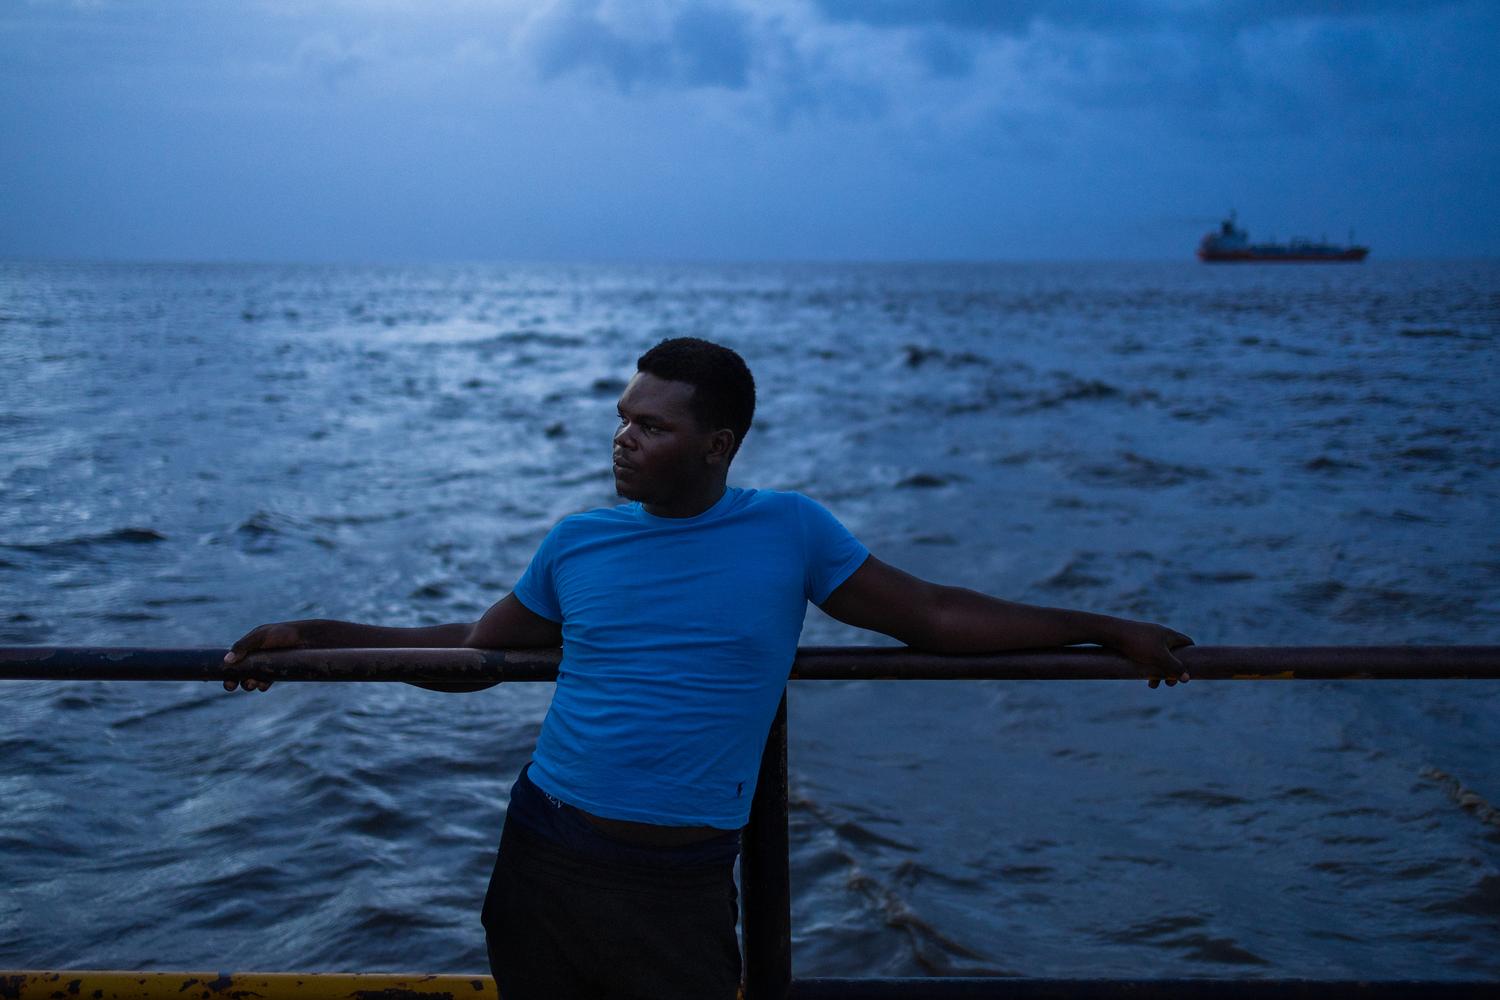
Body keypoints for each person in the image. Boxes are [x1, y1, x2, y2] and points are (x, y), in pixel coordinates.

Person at [224, 337, 1191, 999]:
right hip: (546, 855)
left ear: (718, 445)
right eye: (623, 417)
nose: (624, 437)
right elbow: (476, 653)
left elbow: (933, 616)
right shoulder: (580, 541)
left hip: (678, 883)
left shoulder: (790, 531)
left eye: (653, 426)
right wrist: (317, 638)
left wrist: (1101, 629)